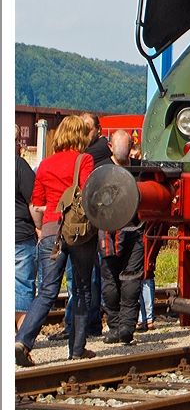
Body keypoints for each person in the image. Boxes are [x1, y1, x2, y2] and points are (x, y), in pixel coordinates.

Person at [16, 116, 99, 366]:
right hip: (79, 232)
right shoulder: (84, 160)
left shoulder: (45, 164)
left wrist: (42, 229)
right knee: (82, 289)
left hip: (52, 230)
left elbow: (38, 203)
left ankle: (22, 341)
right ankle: (76, 350)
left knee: (47, 291)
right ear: (80, 136)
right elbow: (89, 193)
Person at [56, 112, 108, 341]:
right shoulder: (85, 156)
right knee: (81, 282)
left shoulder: (94, 153)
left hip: (71, 225)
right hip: (76, 226)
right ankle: (78, 332)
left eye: (89, 128)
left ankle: (85, 325)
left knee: (81, 281)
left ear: (97, 129)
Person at [98, 130, 144, 345]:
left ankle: (119, 327)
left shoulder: (101, 171)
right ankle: (123, 326)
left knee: (116, 281)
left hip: (111, 231)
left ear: (110, 147)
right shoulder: (138, 170)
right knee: (126, 279)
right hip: (126, 230)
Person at [15, 125, 38, 335]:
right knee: (22, 286)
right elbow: (34, 202)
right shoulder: (18, 165)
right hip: (20, 235)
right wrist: (39, 227)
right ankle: (22, 335)